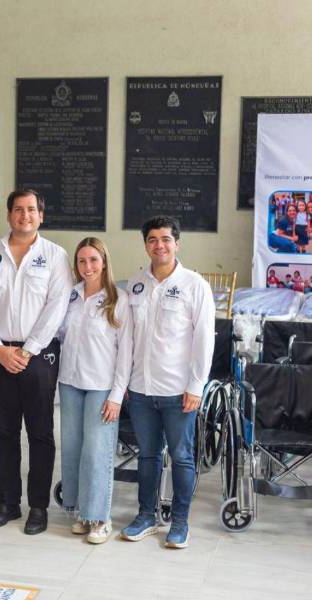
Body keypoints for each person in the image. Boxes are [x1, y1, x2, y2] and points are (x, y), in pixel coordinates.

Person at [0, 189, 72, 535]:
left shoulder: (56, 257)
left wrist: (27, 350)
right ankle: (8, 503)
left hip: (39, 356)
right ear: (9, 215)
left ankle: (38, 507)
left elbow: (56, 308)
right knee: (4, 432)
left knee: (40, 433)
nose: (24, 215)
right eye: (18, 210)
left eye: (31, 210)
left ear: (41, 216)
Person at [120, 216, 215, 549]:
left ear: (177, 243)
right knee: (148, 456)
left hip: (178, 391)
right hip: (142, 389)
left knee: (182, 456)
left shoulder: (194, 285)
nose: (159, 245)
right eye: (152, 240)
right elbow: (129, 338)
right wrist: (127, 383)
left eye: (165, 239)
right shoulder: (135, 284)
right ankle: (147, 516)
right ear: (145, 244)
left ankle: (179, 523)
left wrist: (196, 386)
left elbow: (204, 339)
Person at [57, 237, 132, 544]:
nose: (87, 267)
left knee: (97, 452)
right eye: (82, 261)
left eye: (93, 260)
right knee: (74, 448)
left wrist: (117, 395)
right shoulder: (70, 297)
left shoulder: (119, 299)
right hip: (70, 382)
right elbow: (59, 335)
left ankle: (100, 518)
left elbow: (125, 351)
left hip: (102, 387)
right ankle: (82, 513)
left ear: (104, 262)